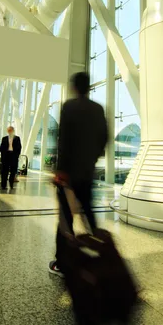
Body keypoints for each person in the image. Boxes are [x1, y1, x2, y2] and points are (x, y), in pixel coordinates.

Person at [49, 72, 108, 277]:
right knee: (89, 213)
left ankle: (63, 262)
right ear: (89, 87)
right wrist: (91, 160)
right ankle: (102, 255)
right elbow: (104, 138)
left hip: (69, 174)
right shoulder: (98, 109)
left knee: (66, 217)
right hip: (87, 172)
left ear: (75, 87)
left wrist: (61, 169)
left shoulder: (69, 107)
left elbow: (63, 140)